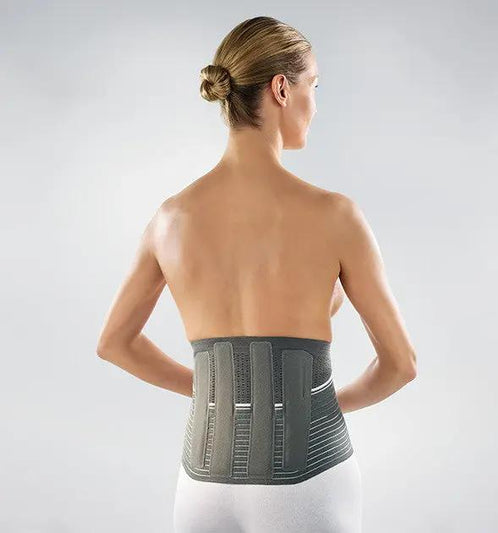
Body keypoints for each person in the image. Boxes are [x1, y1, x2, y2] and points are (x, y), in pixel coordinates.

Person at [96, 15, 417, 533]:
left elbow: (115, 343)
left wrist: (216, 393)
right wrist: (317, 406)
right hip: (309, 480)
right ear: (282, 89)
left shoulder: (170, 218)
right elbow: (400, 364)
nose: (316, 105)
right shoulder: (335, 216)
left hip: (202, 485)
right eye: (314, 86)